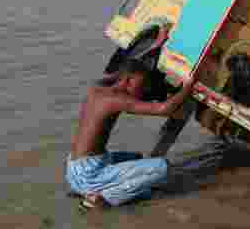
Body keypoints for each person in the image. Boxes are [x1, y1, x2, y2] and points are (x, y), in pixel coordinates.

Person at [66, 28, 200, 209]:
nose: (143, 90)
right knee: (162, 167)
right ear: (128, 80)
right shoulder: (117, 100)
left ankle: (87, 187)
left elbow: (130, 65)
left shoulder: (98, 88)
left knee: (136, 158)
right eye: (142, 85)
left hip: (75, 168)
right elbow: (165, 109)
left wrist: (157, 45)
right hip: (89, 173)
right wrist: (189, 86)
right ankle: (102, 198)